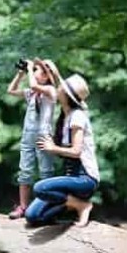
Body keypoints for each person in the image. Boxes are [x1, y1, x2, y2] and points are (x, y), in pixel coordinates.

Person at [24, 65, 100, 227]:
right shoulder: (64, 117)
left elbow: (76, 151)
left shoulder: (77, 117)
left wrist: (53, 148)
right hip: (70, 178)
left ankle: (81, 205)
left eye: (60, 88)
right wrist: (55, 72)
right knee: (33, 216)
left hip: (84, 178)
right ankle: (71, 203)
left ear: (66, 95)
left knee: (40, 188)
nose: (57, 89)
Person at [7, 58, 57, 219]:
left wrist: (29, 69)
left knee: (45, 172)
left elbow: (35, 85)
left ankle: (46, 206)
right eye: (34, 70)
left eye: (38, 71)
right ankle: (23, 207)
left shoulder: (50, 90)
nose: (34, 73)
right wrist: (21, 74)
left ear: (47, 76)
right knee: (25, 171)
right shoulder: (32, 93)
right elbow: (11, 90)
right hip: (27, 134)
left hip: (43, 135)